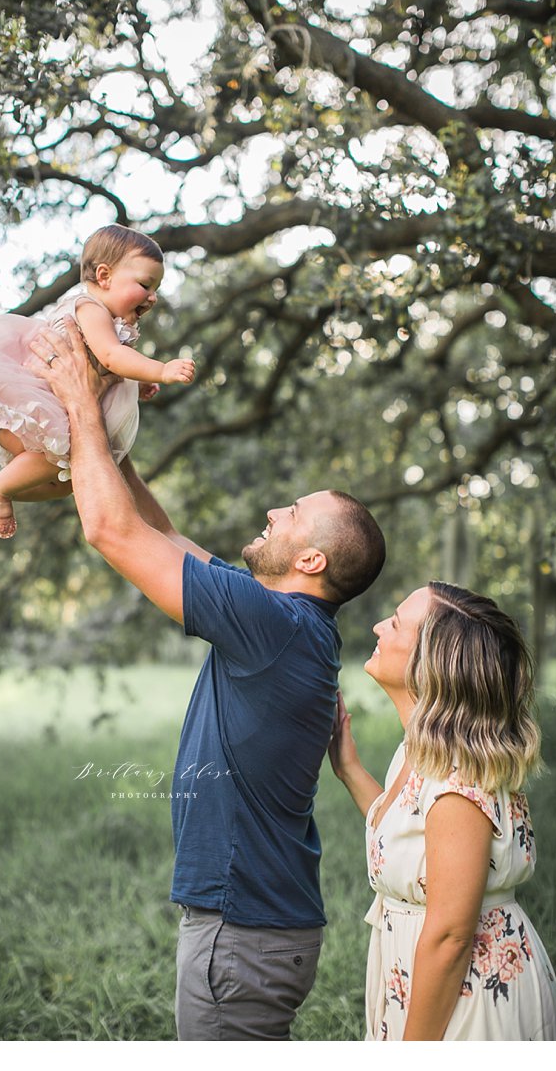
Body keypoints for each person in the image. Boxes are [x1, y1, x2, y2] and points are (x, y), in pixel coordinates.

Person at [23, 318, 386, 1041]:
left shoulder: (273, 625)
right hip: (257, 929)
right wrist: (115, 442)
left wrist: (78, 405)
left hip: (241, 934)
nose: (274, 512)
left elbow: (110, 532)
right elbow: (161, 537)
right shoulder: (282, 623)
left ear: (311, 562)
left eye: (292, 515)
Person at [328, 582, 556, 1041]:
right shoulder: (422, 752)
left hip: (467, 1002)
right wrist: (349, 769)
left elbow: (451, 936)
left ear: (429, 663)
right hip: (435, 987)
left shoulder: (457, 779)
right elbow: (411, 842)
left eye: (395, 623)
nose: (378, 626)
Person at [0, 225, 195, 538]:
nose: (153, 297)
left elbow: (113, 366)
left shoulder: (108, 321)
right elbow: (109, 356)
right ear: (104, 276)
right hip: (48, 406)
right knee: (63, 460)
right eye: (146, 284)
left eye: (156, 288)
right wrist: (159, 370)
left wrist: (138, 381)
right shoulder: (90, 309)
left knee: (64, 483)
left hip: (63, 412)